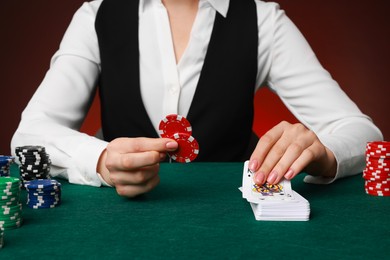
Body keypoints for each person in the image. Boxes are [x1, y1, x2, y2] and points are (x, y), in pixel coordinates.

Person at [11, 0, 383, 198]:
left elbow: (364, 134)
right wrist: (101, 159)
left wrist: (322, 153)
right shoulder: (96, 15)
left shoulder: (263, 21)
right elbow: (30, 133)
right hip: (118, 227)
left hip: (234, 226)